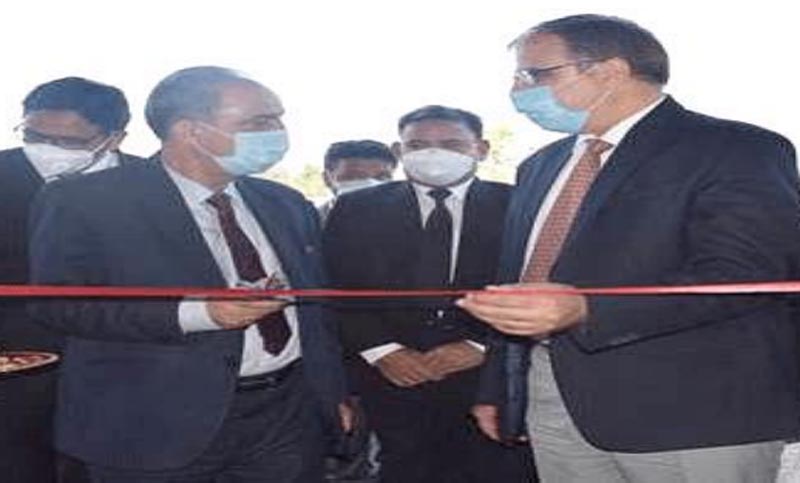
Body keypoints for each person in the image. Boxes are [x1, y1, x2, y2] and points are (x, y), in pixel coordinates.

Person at [456, 14, 800, 483]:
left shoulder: (734, 147)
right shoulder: (540, 165)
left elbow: (748, 273)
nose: (517, 90)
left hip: (691, 409)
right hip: (553, 396)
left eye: (534, 74)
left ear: (611, 71)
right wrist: (499, 387)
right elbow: (518, 279)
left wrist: (588, 310)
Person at [28, 66, 351, 482]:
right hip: (150, 423)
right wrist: (198, 315)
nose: (277, 132)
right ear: (191, 131)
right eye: (259, 122)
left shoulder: (284, 202)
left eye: (278, 119)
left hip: (286, 418)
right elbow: (57, 305)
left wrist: (331, 392)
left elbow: (317, 311)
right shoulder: (84, 201)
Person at [325, 105, 537, 483]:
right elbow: (336, 287)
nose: (434, 154)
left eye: (452, 144)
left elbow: (534, 283)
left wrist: (480, 346)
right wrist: (382, 351)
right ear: (399, 150)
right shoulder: (356, 208)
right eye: (418, 145)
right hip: (391, 376)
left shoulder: (521, 204)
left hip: (489, 377)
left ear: (481, 149)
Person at [0, 76, 140, 483]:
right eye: (34, 136)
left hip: (131, 363)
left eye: (68, 142)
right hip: (19, 364)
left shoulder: (156, 185)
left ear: (114, 138)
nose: (48, 150)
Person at [317, 139, 397, 224]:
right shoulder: (312, 224)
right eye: (354, 177)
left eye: (382, 177)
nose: (371, 185)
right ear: (327, 179)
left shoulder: (403, 218)